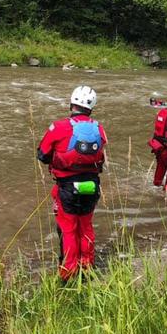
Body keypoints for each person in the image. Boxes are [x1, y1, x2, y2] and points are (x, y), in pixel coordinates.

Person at [37, 86, 107, 282]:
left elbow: (42, 155)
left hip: (67, 187)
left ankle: (68, 273)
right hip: (91, 186)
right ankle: (87, 266)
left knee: (68, 229)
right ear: (92, 107)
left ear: (71, 103)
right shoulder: (99, 128)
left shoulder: (58, 127)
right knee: (86, 226)